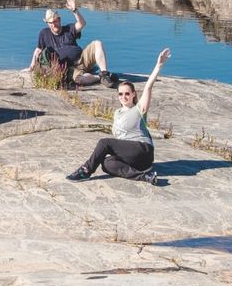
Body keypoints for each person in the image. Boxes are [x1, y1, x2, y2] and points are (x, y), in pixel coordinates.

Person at [67, 48, 171, 185]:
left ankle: (86, 170)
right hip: (136, 162)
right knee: (107, 163)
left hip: (143, 150)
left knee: (104, 143)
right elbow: (120, 141)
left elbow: (148, 87)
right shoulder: (117, 114)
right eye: (120, 94)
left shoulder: (139, 109)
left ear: (133, 94)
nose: (124, 97)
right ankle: (145, 176)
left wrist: (159, 65)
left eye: (127, 93)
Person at [28, 0, 117, 88]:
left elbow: (82, 24)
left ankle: (104, 73)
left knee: (97, 43)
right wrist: (31, 67)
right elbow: (38, 50)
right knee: (80, 80)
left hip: (82, 59)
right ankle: (100, 77)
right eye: (51, 23)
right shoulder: (44, 34)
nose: (53, 24)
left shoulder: (69, 29)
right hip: (69, 68)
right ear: (47, 23)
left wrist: (75, 11)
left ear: (59, 20)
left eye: (55, 21)